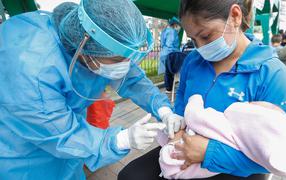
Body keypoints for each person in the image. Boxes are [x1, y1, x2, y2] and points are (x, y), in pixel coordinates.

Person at [0, 0, 185, 179]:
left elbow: (133, 80)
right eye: (117, 60)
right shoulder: (33, 71)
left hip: (70, 144)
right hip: (25, 154)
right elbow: (61, 134)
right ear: (84, 47)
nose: (126, 66)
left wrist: (164, 110)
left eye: (128, 57)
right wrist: (120, 140)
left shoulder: (97, 39)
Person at [118, 0, 286, 179]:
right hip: (186, 146)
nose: (201, 48)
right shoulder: (193, 61)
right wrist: (177, 124)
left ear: (235, 16)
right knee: (129, 175)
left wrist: (208, 152)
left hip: (236, 165)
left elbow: (283, 153)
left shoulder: (271, 74)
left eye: (206, 36)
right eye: (193, 40)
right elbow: (182, 95)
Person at [157, 95, 286, 179]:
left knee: (170, 154)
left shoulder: (232, 125)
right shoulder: (192, 62)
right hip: (201, 160)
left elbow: (194, 116)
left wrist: (195, 99)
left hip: (188, 157)